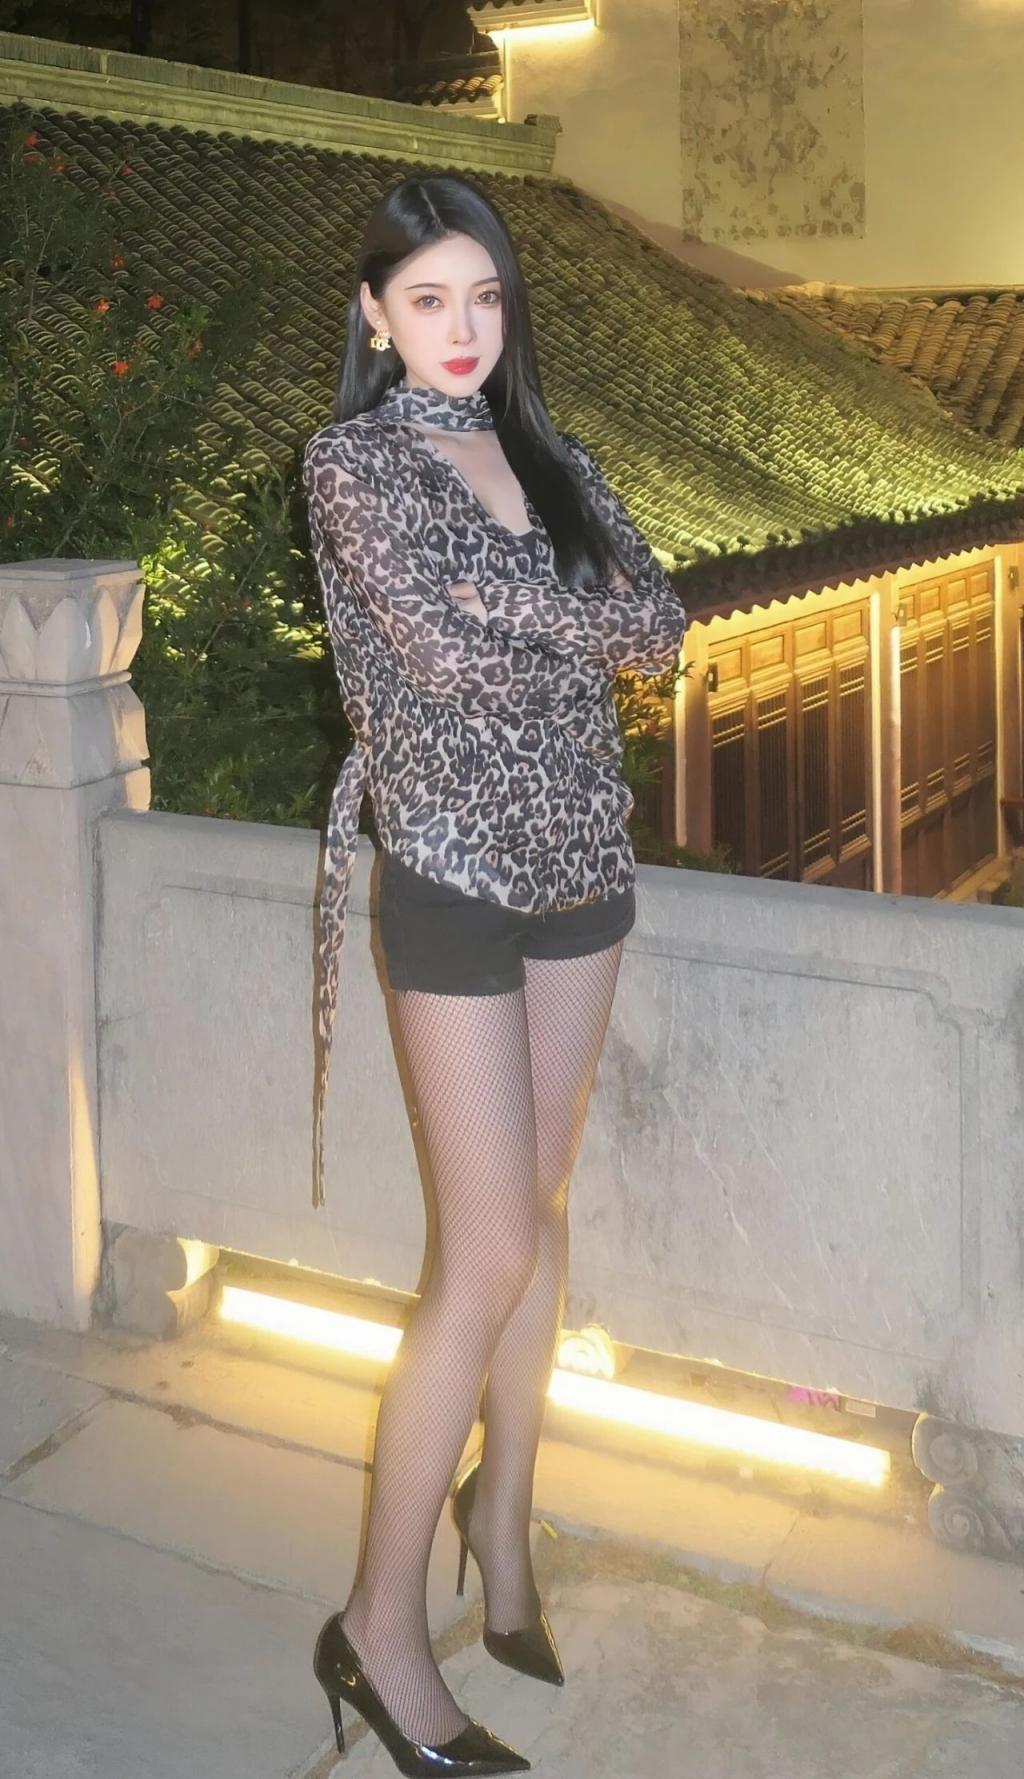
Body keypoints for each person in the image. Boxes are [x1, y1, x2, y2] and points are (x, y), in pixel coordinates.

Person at [302, 170, 687, 1777]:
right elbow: (447, 658)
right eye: (428, 300)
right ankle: (377, 1630)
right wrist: (570, 604)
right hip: (454, 879)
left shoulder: (555, 456)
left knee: (542, 1212)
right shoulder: (351, 465)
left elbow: (663, 628)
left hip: (585, 864)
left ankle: (504, 1517)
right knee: (483, 1260)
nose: (463, 330)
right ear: (377, 316)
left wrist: (529, 599)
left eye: (485, 297)